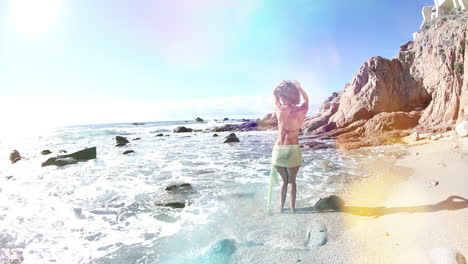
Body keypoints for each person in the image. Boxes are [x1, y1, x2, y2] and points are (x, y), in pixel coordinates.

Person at [267, 80, 309, 213]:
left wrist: (280, 85)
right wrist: (299, 88)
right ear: (296, 96)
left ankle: (280, 208)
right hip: (293, 149)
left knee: (284, 181)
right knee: (292, 181)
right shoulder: (302, 110)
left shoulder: (280, 109)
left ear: (283, 96)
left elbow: (274, 92)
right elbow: (307, 99)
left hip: (279, 149)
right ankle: (292, 209)